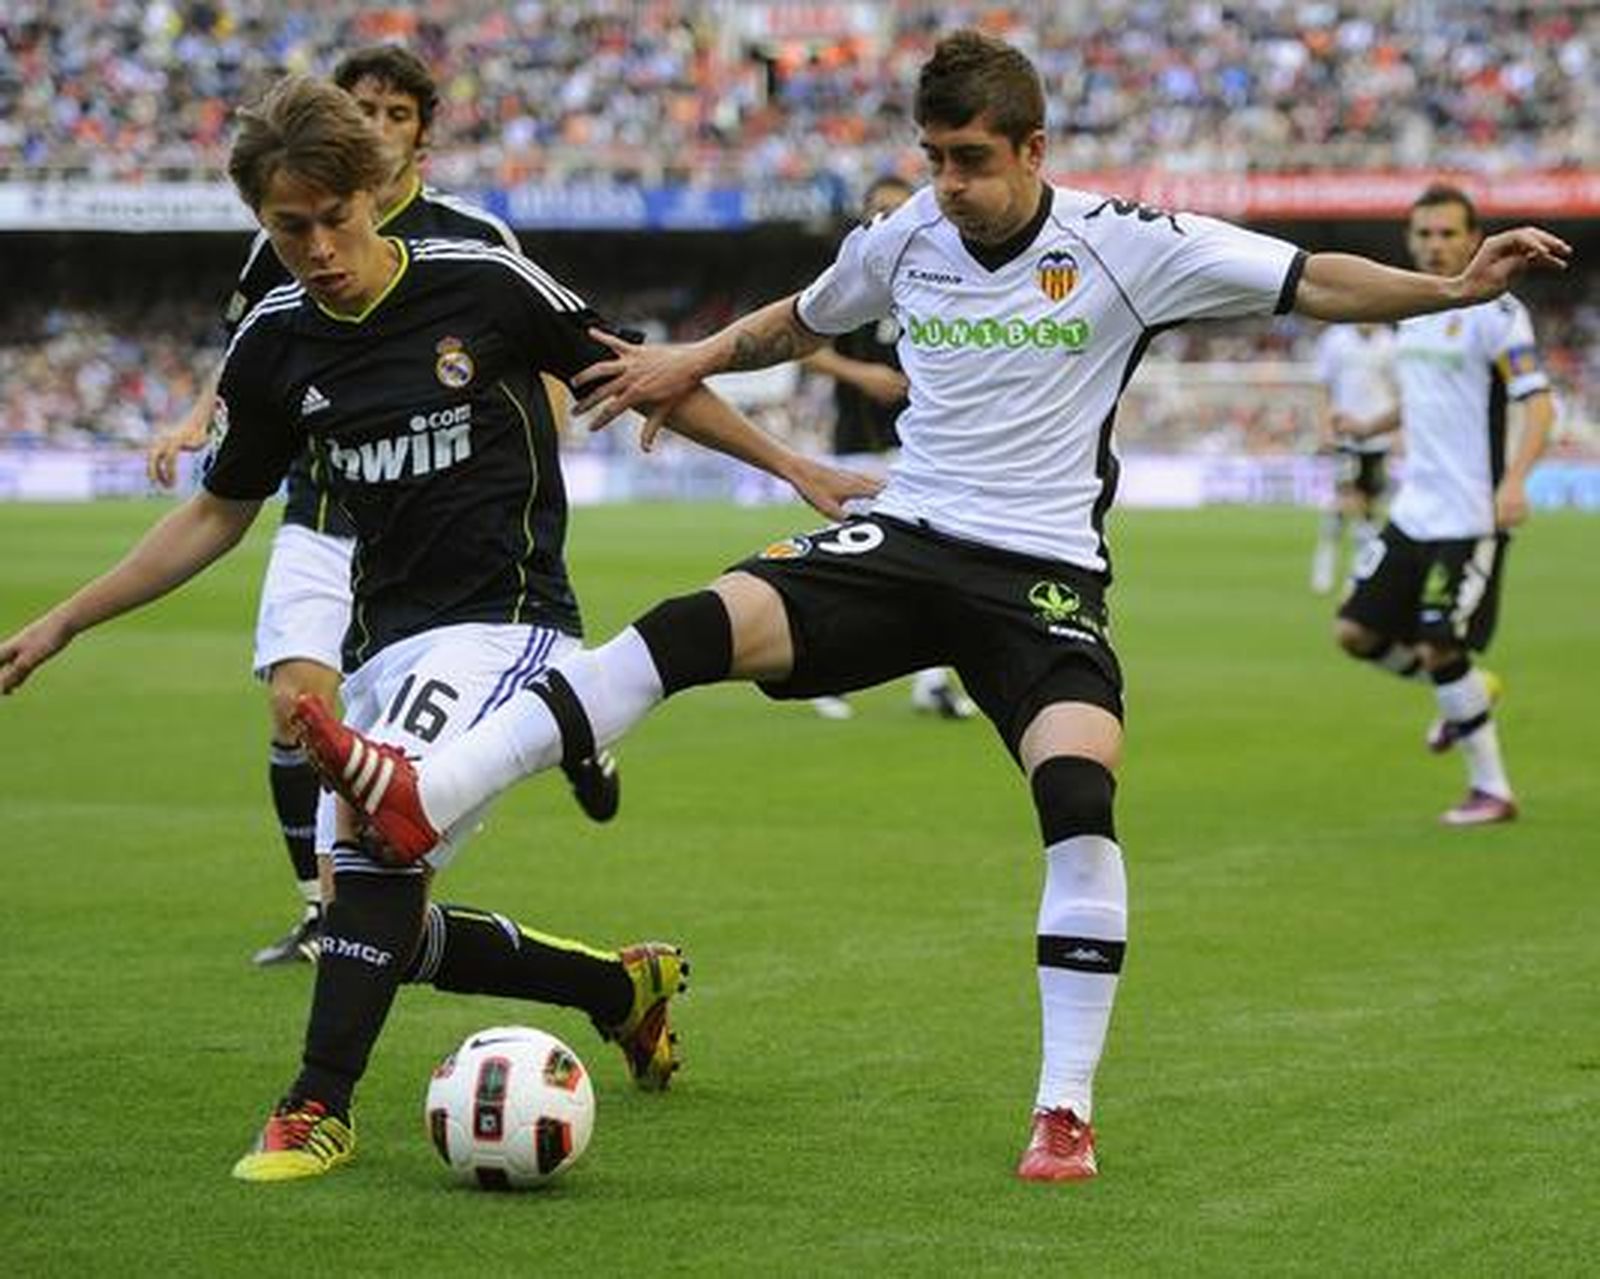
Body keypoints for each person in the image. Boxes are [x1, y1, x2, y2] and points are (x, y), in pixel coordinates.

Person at [276, 32, 1562, 1183]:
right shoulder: (909, 240)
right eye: (935, 157)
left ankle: (1064, 1108)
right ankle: (423, 796)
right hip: (901, 537)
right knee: (687, 626)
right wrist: (692, 357)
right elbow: (802, 316)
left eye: (972, 159)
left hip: (1041, 576)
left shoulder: (1129, 245)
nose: (950, 182)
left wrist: (1447, 289)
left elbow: (1310, 279)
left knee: (1077, 793)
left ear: (1033, 150)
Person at [0, 75, 875, 1181]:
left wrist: (792, 465)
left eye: (335, 217)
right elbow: (220, 510)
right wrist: (67, 621)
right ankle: (621, 986)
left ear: (376, 192)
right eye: (289, 227)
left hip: (510, 625)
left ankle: (315, 1107)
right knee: (381, 928)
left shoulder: (480, 279)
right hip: (387, 647)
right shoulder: (272, 341)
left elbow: (628, 371)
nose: (317, 246)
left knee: (372, 843)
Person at [145, 46, 622, 968]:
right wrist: (193, 420)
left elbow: (545, 347)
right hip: (326, 508)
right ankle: (318, 910)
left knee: (383, 862)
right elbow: (250, 361)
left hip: (461, 555)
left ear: (418, 137)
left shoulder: (475, 245)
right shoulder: (279, 250)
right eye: (358, 106)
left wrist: (542, 431)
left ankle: (566, 737)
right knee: (298, 707)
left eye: (394, 113)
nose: (374, 124)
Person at [1333, 184, 1556, 826]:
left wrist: (1514, 483)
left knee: (1438, 643)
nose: (1435, 245)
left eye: (1447, 233)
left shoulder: (1499, 312)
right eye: (1424, 234)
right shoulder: (1415, 307)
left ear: (1473, 236)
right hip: (1415, 508)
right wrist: (1374, 424)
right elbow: (1426, 392)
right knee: (1354, 633)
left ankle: (1492, 789)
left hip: (1469, 513)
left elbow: (1538, 402)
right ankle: (1466, 696)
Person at [802, 174, 977, 723]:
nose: (887, 220)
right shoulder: (850, 274)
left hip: (922, 449)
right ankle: (822, 676)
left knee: (935, 562)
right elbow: (805, 348)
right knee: (848, 570)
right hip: (855, 447)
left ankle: (931, 683)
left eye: (898, 210)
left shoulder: (940, 277)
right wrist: (862, 375)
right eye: (878, 211)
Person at [1309, 322, 1396, 594]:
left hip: (1377, 436)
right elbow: (1322, 386)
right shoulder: (1335, 339)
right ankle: (1326, 558)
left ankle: (1361, 572)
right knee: (1346, 498)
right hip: (1344, 434)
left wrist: (1398, 433)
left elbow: (1399, 389)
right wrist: (1323, 428)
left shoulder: (1390, 342)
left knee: (1370, 507)